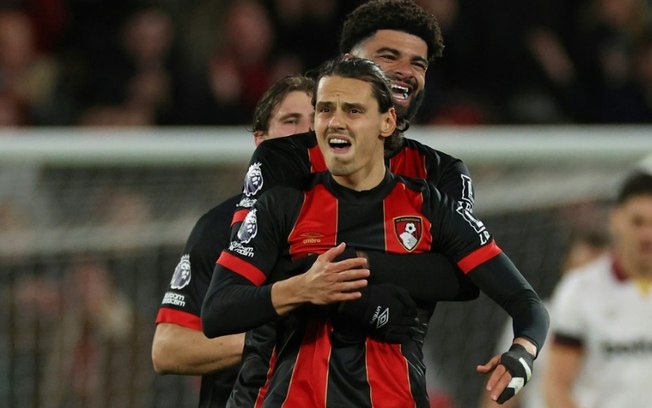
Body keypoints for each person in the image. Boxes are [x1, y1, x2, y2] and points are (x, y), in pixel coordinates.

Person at [202, 57, 549, 407]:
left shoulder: (430, 207)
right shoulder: (283, 205)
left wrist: (522, 352)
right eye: (325, 110)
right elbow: (217, 311)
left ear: (387, 122)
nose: (335, 122)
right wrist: (303, 288)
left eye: (353, 111)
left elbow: (526, 302)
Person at [223, 1, 483, 405]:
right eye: (388, 56)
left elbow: (463, 278)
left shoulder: (441, 173)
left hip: (393, 391)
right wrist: (370, 291)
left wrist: (344, 262)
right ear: (348, 62)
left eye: (419, 63)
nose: (405, 72)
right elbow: (253, 272)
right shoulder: (285, 158)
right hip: (276, 390)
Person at [152, 74, 316, 407]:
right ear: (261, 139)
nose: (306, 132)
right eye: (290, 121)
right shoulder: (219, 227)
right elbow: (167, 349)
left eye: (317, 119)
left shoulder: (361, 221)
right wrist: (265, 341)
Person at [542, 170, 652, 408]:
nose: (647, 234)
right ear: (615, 220)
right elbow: (556, 385)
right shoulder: (580, 290)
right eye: (638, 222)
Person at [479, 228, 608, 408]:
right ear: (566, 268)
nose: (584, 284)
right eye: (579, 273)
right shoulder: (531, 320)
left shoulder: (628, 322)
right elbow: (500, 394)